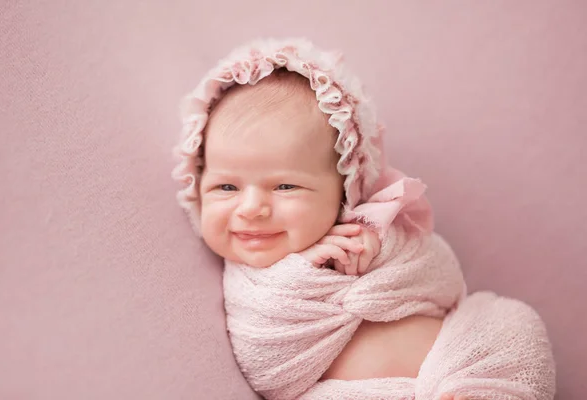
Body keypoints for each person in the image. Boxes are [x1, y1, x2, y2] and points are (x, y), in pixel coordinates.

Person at [173, 38, 555, 400]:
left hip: (459, 364)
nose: (252, 208)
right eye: (226, 188)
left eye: (285, 186)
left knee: (513, 323)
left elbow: (444, 282)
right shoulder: (248, 283)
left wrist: (380, 247)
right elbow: (267, 370)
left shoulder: (373, 227)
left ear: (344, 189)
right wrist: (301, 274)